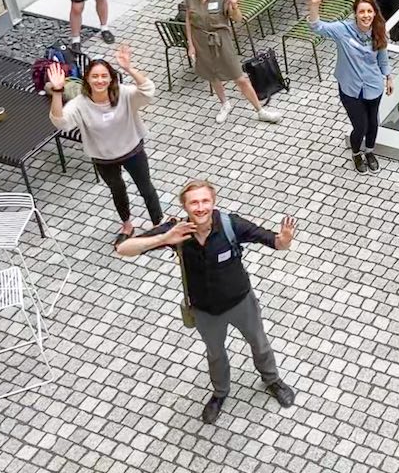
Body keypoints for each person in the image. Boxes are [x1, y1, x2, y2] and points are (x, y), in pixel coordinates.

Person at [114, 179, 297, 424]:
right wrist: (164, 238)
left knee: (259, 343)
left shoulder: (231, 225)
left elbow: (275, 242)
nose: (200, 207)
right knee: (215, 354)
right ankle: (220, 393)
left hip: (241, 301)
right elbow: (123, 249)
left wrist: (284, 240)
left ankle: (272, 379)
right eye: (194, 203)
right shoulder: (176, 230)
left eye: (205, 201)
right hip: (204, 310)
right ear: (185, 206)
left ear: (213, 202)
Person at [47, 46, 161, 237]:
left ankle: (159, 224)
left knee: (146, 188)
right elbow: (61, 122)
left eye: (104, 76)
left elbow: (148, 91)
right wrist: (58, 92)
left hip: (132, 151)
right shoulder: (80, 104)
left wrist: (130, 69)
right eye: (95, 76)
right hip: (103, 158)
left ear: (111, 78)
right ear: (87, 80)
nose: (100, 80)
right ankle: (127, 225)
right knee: (117, 190)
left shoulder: (124, 94)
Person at [306, 0, 393, 172]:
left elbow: (383, 59)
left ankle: (369, 151)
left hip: (372, 86)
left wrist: (388, 76)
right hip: (350, 88)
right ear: (355, 14)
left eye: (369, 11)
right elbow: (317, 26)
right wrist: (314, 5)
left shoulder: (378, 31)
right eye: (362, 11)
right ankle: (356, 153)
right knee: (360, 126)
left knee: (373, 124)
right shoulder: (342, 30)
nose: (366, 15)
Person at [183, 0, 282, 125]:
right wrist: (190, 44)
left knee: (239, 77)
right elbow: (188, 18)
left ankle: (260, 110)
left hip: (221, 39)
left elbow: (237, 18)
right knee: (212, 74)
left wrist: (234, 5)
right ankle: (225, 104)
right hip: (201, 39)